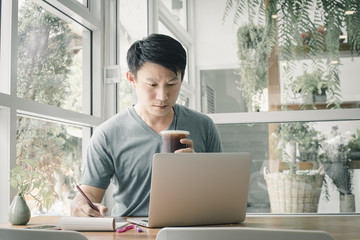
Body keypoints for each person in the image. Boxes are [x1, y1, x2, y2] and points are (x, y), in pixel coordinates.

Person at [70, 33, 223, 218]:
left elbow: (221, 193)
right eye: (152, 84)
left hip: (192, 229)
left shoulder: (203, 126)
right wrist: (80, 206)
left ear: (182, 78)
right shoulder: (108, 134)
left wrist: (198, 169)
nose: (163, 96)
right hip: (132, 232)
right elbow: (89, 194)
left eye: (172, 84)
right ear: (131, 79)